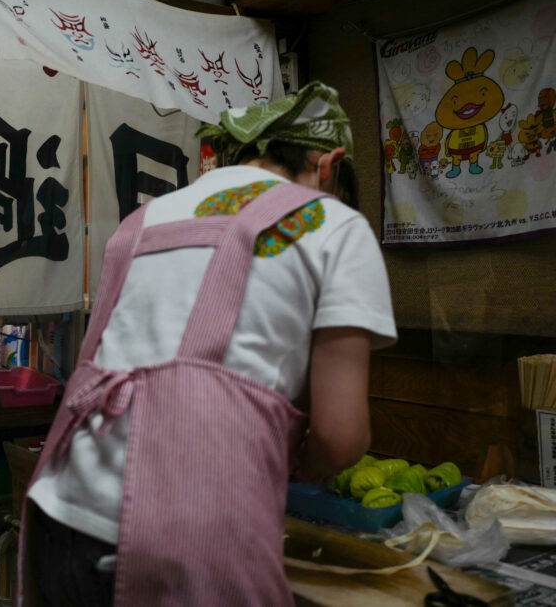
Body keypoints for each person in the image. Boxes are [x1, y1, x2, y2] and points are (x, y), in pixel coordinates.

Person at [20, 82, 397, 605]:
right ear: (328, 165)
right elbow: (340, 435)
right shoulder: (335, 224)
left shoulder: (144, 219)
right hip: (182, 538)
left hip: (57, 512)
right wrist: (298, 464)